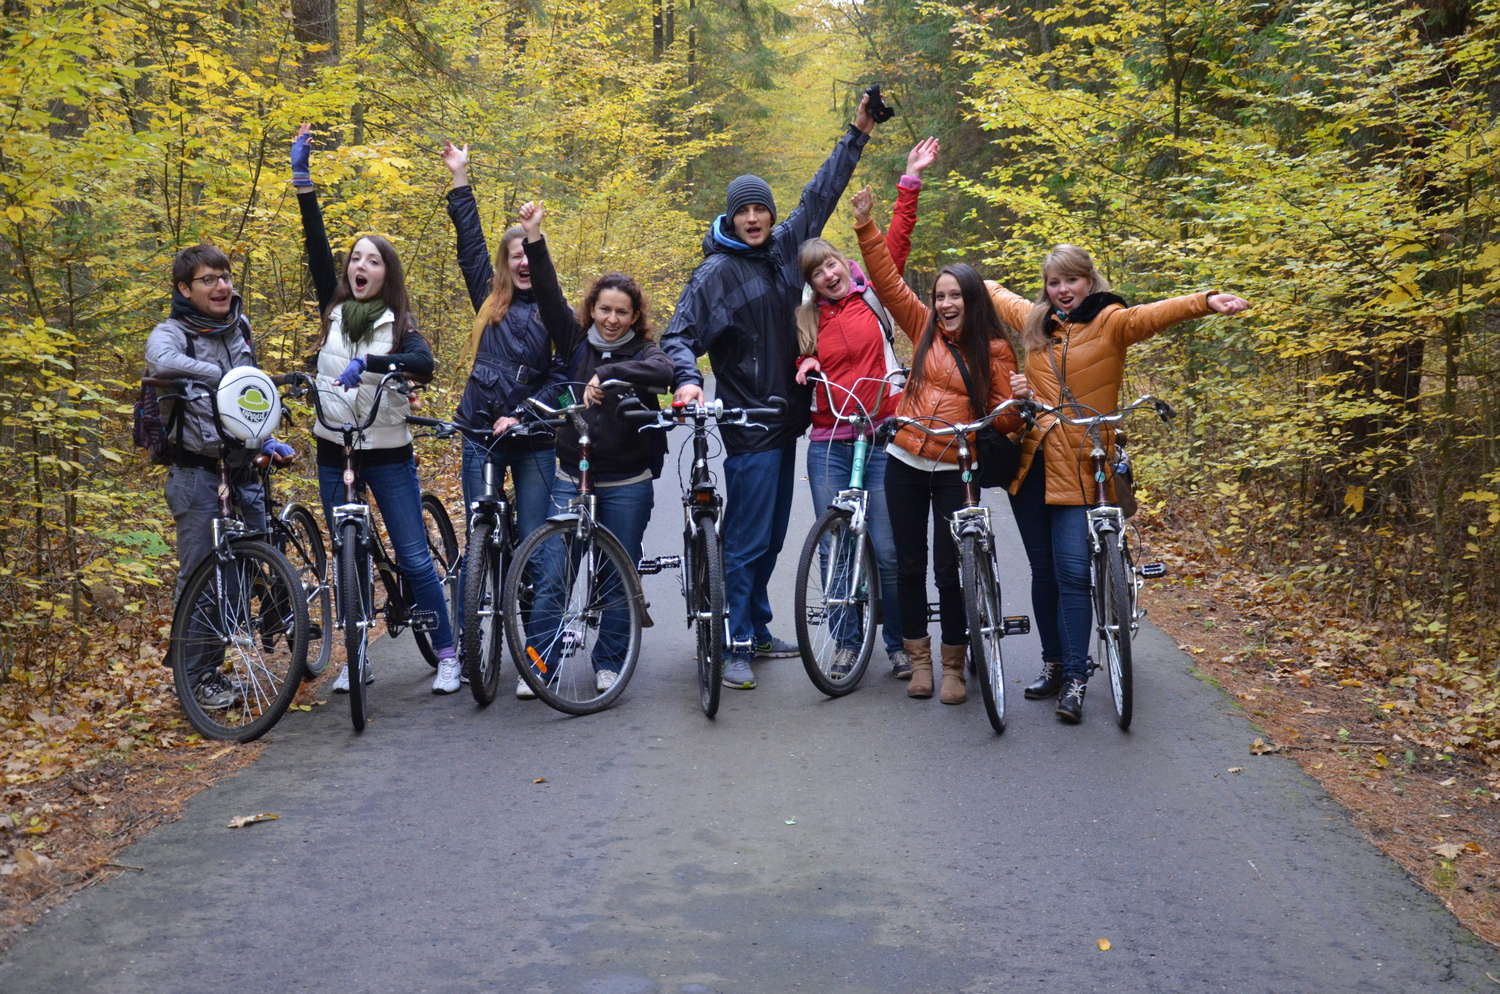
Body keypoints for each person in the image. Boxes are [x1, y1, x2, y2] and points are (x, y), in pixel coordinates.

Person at [660, 93, 881, 691]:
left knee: (774, 537)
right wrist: (685, 381)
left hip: (788, 423)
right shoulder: (714, 275)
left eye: (761, 209)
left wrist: (857, 131)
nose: (754, 219)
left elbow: (820, 194)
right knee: (749, 538)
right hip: (748, 424)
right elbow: (677, 336)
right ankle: (733, 642)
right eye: (744, 212)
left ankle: (754, 627)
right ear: (730, 219)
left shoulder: (786, 250)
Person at [990, 246, 1250, 722]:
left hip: (1085, 464)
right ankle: (1051, 665)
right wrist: (961, 288)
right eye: (1053, 282)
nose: (1063, 290)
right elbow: (991, 292)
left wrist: (1208, 300)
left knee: (1071, 573)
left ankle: (1075, 676)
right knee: (1043, 573)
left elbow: (1155, 315)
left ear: (1089, 281)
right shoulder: (1035, 321)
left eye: (1071, 280)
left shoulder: (1112, 320)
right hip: (1033, 465)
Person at [291, 124, 460, 695]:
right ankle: (356, 656)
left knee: (413, 557)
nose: (361, 266)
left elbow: (424, 363)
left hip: (386, 453)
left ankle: (447, 650)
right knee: (349, 560)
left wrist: (378, 366)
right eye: (356, 259)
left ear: (387, 275)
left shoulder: (400, 325)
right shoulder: (335, 309)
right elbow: (315, 245)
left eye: (373, 261)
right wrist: (303, 182)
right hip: (331, 449)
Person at [852, 185, 1022, 706]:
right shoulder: (922, 326)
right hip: (904, 457)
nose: (946, 303)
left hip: (956, 467)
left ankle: (953, 664)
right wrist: (865, 226)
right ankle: (918, 660)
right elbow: (888, 281)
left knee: (950, 569)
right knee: (907, 564)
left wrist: (1018, 399)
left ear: (972, 300)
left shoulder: (994, 351)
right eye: (941, 295)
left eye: (955, 296)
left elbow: (1008, 421)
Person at [791, 136, 940, 680]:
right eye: (816, 274)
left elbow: (894, 242)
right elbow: (799, 365)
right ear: (809, 284)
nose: (828, 276)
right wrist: (804, 368)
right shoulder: (807, 321)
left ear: (840, 262)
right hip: (830, 442)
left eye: (829, 265)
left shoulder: (872, 295)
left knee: (889, 548)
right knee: (835, 548)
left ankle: (901, 644)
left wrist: (910, 180)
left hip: (882, 435)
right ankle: (846, 643)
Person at [516, 201, 674, 690]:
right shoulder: (574, 339)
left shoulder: (643, 351)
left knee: (616, 574)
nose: (610, 319)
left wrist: (611, 371)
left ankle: (610, 660)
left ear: (634, 316)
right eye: (604, 309)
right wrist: (534, 238)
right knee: (553, 573)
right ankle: (541, 662)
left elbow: (665, 373)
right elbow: (545, 293)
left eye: (621, 312)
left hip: (627, 479)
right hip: (571, 475)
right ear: (592, 309)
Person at [440, 142, 567, 698]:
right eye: (511, 253)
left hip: (534, 438)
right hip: (480, 435)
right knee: (481, 539)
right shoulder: (486, 301)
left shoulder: (555, 310)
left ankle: (540, 655)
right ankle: (477, 632)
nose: (520, 260)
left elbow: (563, 377)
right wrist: (460, 178)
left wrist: (520, 414)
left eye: (527, 253)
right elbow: (468, 245)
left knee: (537, 546)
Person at [146, 244, 295, 709]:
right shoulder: (173, 333)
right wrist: (214, 373)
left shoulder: (239, 327)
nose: (222, 286)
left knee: (250, 562)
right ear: (184, 288)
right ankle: (197, 677)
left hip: (244, 468)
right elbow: (160, 362)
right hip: (197, 475)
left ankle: (254, 635)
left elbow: (251, 393)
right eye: (209, 279)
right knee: (199, 578)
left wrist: (266, 437)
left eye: (226, 277)